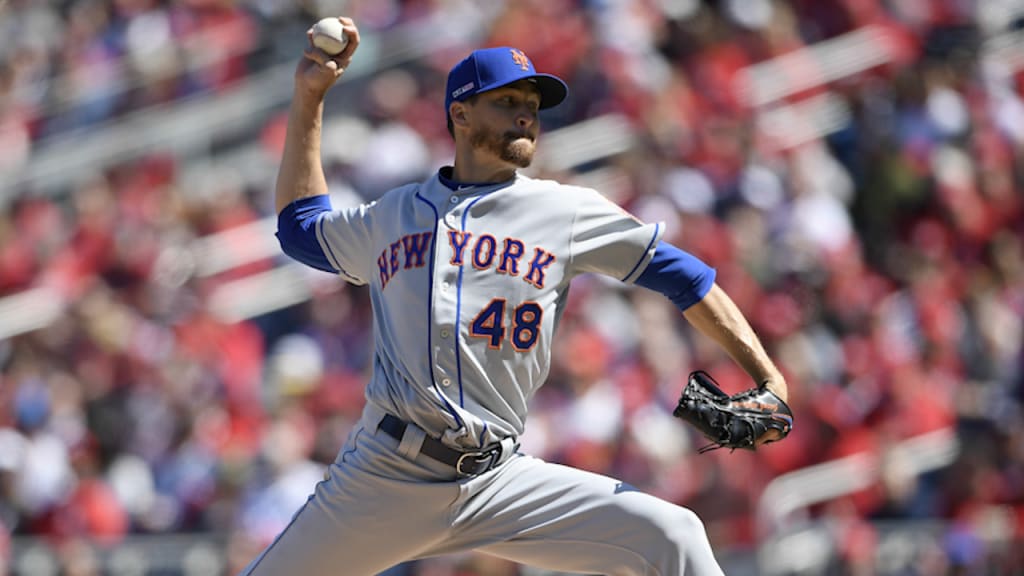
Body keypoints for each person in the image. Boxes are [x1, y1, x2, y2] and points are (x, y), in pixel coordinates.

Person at [241, 17, 790, 576]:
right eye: (506, 102)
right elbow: (301, 230)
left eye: (531, 102)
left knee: (675, 534)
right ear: (460, 114)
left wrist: (768, 376)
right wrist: (310, 97)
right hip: (386, 476)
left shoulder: (565, 211)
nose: (526, 113)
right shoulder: (394, 214)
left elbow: (689, 278)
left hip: (498, 477)